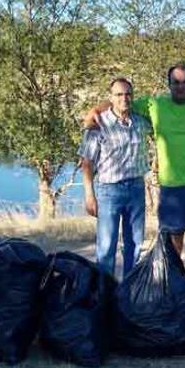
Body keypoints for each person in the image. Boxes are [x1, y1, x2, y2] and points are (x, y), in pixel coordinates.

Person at [85, 65, 185, 295]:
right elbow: (120, 102)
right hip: (170, 184)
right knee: (172, 235)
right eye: (176, 82)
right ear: (169, 85)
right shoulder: (155, 105)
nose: (181, 86)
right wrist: (94, 110)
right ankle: (175, 278)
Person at [78, 77, 151, 277]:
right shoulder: (98, 125)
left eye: (128, 94)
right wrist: (89, 194)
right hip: (109, 191)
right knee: (106, 245)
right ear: (111, 98)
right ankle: (105, 291)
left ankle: (129, 288)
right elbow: (87, 162)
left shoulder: (141, 121)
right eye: (119, 94)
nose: (124, 98)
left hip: (136, 188)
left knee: (135, 243)